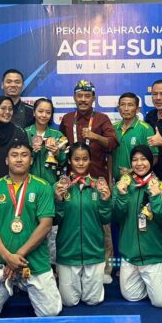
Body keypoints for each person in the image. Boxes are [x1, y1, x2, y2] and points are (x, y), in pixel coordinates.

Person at [0, 143, 62, 318]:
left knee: (51, 313)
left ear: (31, 160)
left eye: (24, 155)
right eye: (14, 155)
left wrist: (17, 256)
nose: (19, 159)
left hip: (35, 262)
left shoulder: (43, 186)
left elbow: (46, 225)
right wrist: (8, 257)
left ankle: (21, 286)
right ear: (6, 160)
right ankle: (11, 287)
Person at [59, 79, 118, 281]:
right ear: (74, 97)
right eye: (79, 96)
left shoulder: (101, 118)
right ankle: (73, 267)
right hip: (72, 183)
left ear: (94, 98)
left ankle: (106, 269)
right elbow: (61, 146)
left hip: (97, 180)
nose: (83, 99)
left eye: (87, 96)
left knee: (103, 227)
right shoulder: (68, 119)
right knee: (73, 225)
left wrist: (95, 136)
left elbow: (113, 142)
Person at [113, 145, 162, 308]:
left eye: (143, 159)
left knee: (161, 301)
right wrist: (121, 196)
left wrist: (156, 198)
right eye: (135, 160)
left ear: (151, 161)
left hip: (155, 256)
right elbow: (115, 217)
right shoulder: (123, 186)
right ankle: (154, 285)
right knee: (132, 296)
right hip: (130, 256)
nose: (139, 163)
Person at [54, 143, 113, 306]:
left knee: (93, 301)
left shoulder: (99, 186)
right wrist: (58, 201)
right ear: (69, 161)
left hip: (93, 252)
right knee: (69, 302)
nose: (80, 163)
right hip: (68, 253)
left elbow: (105, 219)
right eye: (76, 159)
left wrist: (106, 201)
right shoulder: (60, 187)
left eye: (85, 159)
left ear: (90, 161)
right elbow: (55, 221)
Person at [112, 92, 158, 184]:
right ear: (118, 108)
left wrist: (132, 171)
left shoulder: (146, 129)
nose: (126, 109)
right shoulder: (113, 128)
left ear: (137, 109)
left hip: (138, 182)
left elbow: (155, 157)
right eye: (122, 105)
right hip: (117, 182)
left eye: (130, 105)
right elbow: (109, 155)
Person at [26, 98, 67, 186]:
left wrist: (57, 153)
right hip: (29, 183)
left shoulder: (57, 135)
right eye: (40, 111)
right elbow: (20, 160)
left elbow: (64, 161)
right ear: (34, 112)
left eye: (48, 112)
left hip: (51, 183)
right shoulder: (25, 133)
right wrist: (32, 153)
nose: (44, 115)